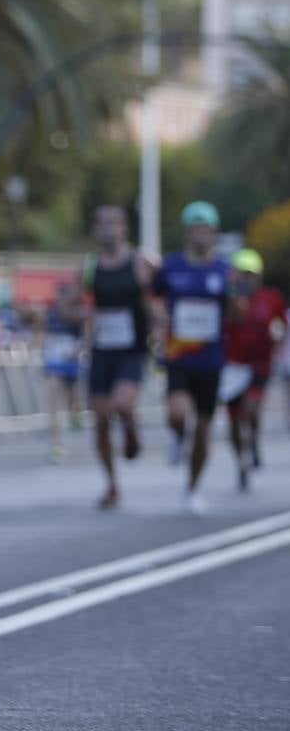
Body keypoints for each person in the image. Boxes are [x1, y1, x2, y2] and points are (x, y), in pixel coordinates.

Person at [152, 201, 229, 515]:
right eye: (194, 228)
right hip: (179, 357)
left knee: (204, 431)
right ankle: (175, 434)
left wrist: (238, 295)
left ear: (214, 233)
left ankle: (193, 487)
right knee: (177, 414)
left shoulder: (224, 271)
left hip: (211, 360)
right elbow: (152, 297)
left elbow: (236, 313)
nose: (200, 235)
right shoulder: (171, 267)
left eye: (205, 229)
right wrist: (158, 321)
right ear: (187, 232)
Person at [83, 204, 154, 509]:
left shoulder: (141, 263)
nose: (108, 228)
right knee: (100, 418)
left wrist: (161, 323)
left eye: (114, 222)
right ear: (96, 229)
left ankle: (130, 429)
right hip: (102, 349)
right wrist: (83, 314)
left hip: (132, 349)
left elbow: (160, 298)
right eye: (102, 222)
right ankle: (111, 483)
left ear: (125, 227)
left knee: (123, 403)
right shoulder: (89, 267)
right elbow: (70, 305)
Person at [222, 248, 286, 489]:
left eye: (250, 274)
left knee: (250, 410)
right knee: (235, 420)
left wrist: (279, 343)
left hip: (260, 364)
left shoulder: (271, 298)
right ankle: (241, 460)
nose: (246, 279)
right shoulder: (228, 298)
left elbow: (281, 325)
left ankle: (254, 442)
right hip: (233, 366)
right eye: (242, 274)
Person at [41, 281, 86, 464]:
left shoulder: (78, 313)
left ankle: (76, 415)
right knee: (53, 401)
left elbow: (86, 335)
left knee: (74, 399)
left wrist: (78, 349)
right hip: (54, 360)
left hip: (72, 360)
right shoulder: (51, 313)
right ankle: (56, 443)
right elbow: (43, 330)